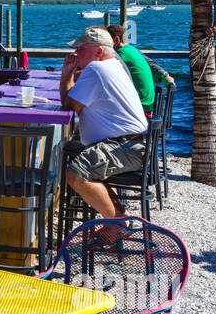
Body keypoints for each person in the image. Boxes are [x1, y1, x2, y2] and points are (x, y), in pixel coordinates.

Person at [59, 26, 149, 220]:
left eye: (81, 49)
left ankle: (116, 225)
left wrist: (66, 75)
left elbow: (69, 105)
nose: (75, 53)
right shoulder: (115, 65)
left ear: (98, 51)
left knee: (76, 174)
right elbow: (77, 105)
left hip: (125, 148)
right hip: (133, 145)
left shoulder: (96, 68)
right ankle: (120, 213)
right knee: (86, 157)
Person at [104, 24, 155, 114]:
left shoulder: (121, 55)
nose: (104, 45)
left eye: (106, 41)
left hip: (139, 109)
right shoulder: (132, 50)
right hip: (146, 106)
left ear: (116, 40)